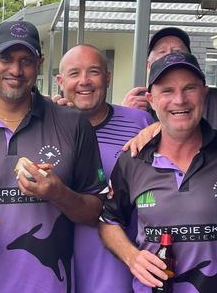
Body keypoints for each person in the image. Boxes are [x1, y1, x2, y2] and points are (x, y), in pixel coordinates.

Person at [0, 21, 108, 292]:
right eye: (6, 58)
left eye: (26, 60)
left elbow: (95, 212)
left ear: (39, 64)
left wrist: (59, 193)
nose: (16, 70)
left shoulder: (72, 123)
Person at [100, 52, 217, 293]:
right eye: (167, 91)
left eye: (189, 88)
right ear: (151, 99)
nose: (179, 100)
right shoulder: (133, 161)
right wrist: (131, 256)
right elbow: (107, 221)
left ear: (204, 93)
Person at [56, 44, 154, 292]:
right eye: (74, 73)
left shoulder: (140, 124)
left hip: (116, 267)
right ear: (60, 81)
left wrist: (162, 126)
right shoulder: (46, 125)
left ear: (108, 77)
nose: (84, 82)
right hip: (54, 269)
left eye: (94, 72)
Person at [122, 27, 217, 131]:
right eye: (162, 52)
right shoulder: (138, 107)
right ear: (148, 65)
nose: (170, 56)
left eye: (177, 51)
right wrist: (125, 116)